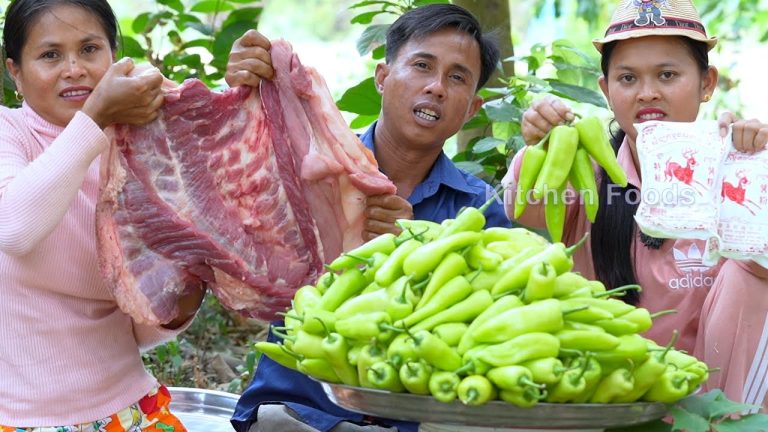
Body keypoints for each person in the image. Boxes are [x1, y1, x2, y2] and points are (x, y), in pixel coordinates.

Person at [226, 4, 510, 431]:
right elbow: (226, 215)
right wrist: (240, 95)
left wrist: (416, 252)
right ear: (381, 77)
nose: (436, 87)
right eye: (421, 65)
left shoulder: (483, 214)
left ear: (472, 108)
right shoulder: (305, 169)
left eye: (457, 77)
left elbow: (491, 336)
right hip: (291, 416)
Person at [502, 0, 768, 409]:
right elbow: (526, 206)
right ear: (606, 90)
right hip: (609, 398)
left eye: (667, 74)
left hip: (715, 403)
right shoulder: (585, 170)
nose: (648, 93)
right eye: (627, 78)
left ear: (707, 83)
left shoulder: (739, 167)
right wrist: (542, 144)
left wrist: (757, 169)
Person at [0, 0, 205, 429]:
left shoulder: (137, 146)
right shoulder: (8, 133)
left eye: (90, 49)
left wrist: (183, 301)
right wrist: (96, 117)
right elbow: (15, 227)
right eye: (50, 54)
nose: (74, 69)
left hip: (132, 410)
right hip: (22, 418)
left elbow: (139, 321)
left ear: (114, 56)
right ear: (15, 71)